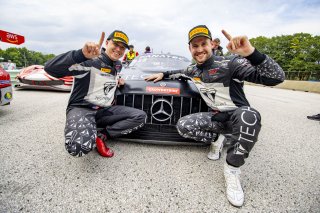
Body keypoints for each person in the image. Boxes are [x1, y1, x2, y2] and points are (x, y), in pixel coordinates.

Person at [145, 25, 285, 207]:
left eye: (203, 43)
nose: (200, 49)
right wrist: (163, 73)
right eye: (195, 46)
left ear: (212, 44)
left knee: (250, 116)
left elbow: (276, 78)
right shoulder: (193, 70)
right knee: (183, 126)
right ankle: (217, 139)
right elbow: (178, 73)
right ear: (190, 49)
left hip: (237, 118)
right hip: (216, 119)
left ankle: (232, 170)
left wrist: (251, 53)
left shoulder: (231, 63)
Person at [45, 30, 147, 158]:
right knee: (78, 147)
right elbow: (49, 68)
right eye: (115, 44)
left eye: (122, 47)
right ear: (107, 42)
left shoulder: (118, 65)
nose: (118, 49)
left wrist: (117, 81)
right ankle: (88, 129)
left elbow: (107, 76)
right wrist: (80, 55)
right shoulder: (90, 60)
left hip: (104, 111)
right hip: (82, 109)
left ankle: (101, 136)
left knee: (140, 117)